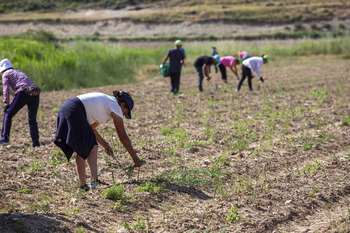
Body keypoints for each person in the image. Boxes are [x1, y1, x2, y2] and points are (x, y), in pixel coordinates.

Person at [54, 91, 144, 191]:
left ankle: (94, 181)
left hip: (69, 108)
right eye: (125, 112)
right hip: (74, 110)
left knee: (92, 145)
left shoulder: (107, 104)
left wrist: (105, 145)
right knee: (82, 147)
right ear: (122, 105)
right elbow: (122, 137)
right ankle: (82, 186)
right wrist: (135, 158)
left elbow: (91, 129)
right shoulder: (115, 106)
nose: (123, 115)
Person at [0, 59, 40, 147]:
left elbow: (6, 90)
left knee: (8, 114)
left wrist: (7, 103)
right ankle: (36, 143)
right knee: (32, 120)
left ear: (2, 69)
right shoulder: (18, 72)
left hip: (23, 91)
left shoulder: (6, 74)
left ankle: (5, 138)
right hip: (35, 90)